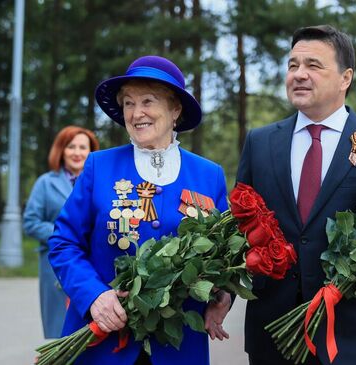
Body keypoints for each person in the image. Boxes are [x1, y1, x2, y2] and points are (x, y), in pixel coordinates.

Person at [236, 25, 356, 365]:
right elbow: (239, 229)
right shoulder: (260, 142)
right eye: (292, 65)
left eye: (313, 65)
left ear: (345, 78)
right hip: (273, 339)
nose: (299, 74)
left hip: (354, 340)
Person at [48, 55, 231, 365]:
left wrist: (223, 294)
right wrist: (94, 295)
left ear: (175, 109)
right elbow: (63, 243)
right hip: (102, 341)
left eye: (148, 101)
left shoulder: (208, 175)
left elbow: (224, 253)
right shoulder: (98, 166)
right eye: (128, 103)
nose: (136, 113)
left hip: (177, 346)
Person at [23, 125, 99, 339]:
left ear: (91, 151)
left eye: (83, 147)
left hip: (93, 262)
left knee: (91, 328)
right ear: (61, 150)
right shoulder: (46, 183)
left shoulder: (100, 183)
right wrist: (66, 235)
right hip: (54, 264)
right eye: (71, 146)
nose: (77, 152)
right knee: (58, 328)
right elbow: (31, 222)